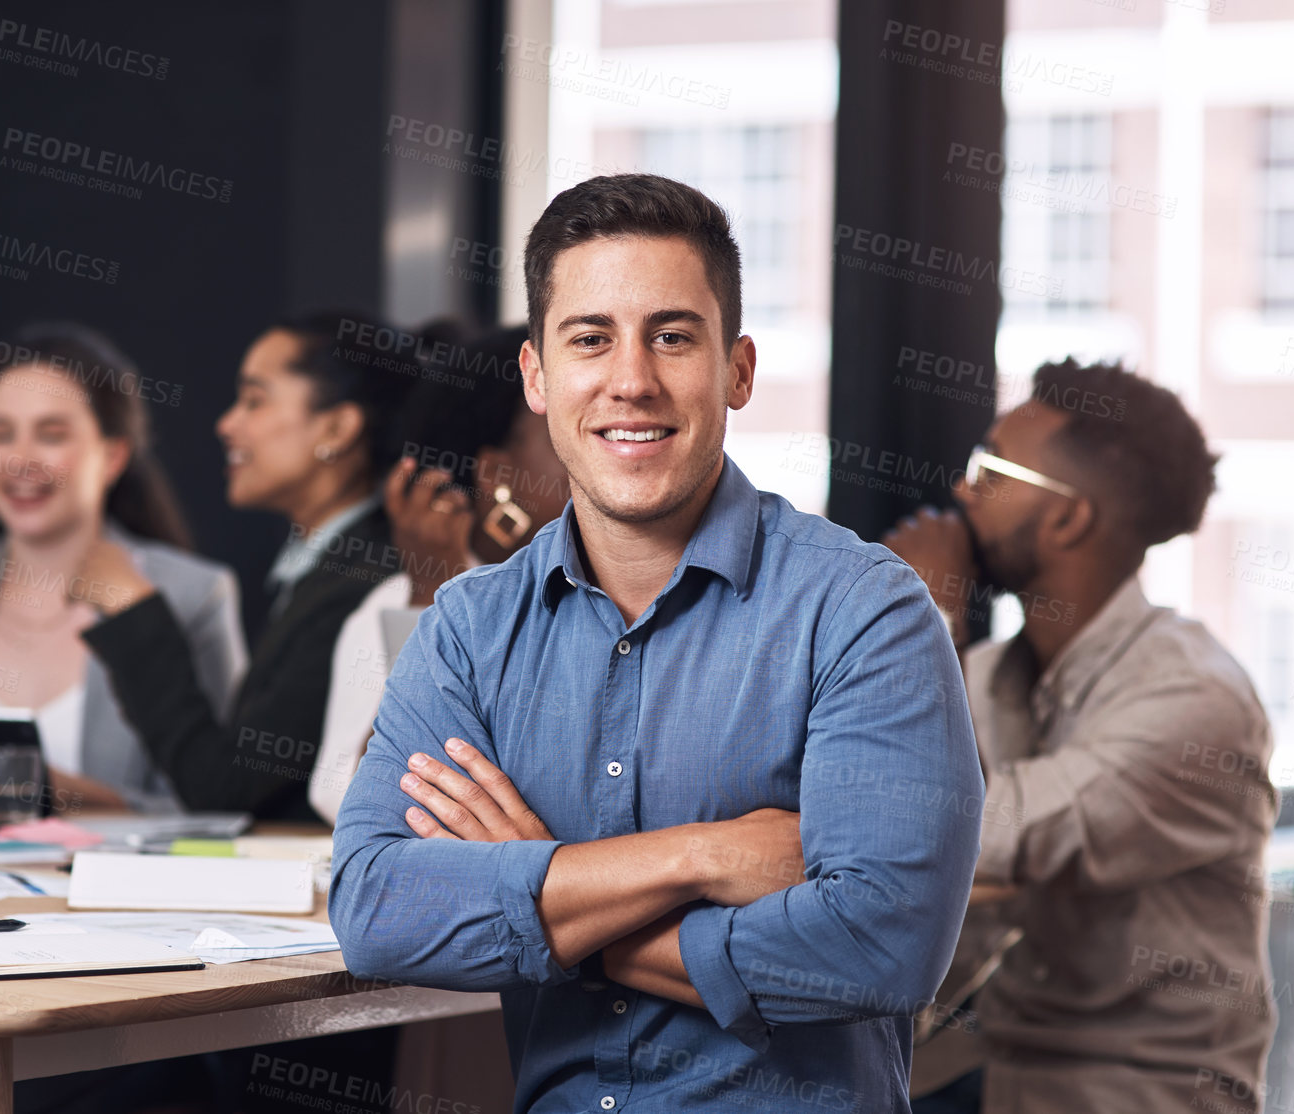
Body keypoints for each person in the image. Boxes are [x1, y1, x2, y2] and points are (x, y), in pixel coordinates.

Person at [328, 174, 984, 1111]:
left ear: (738, 371)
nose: (630, 379)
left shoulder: (864, 612)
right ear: (538, 377)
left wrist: (546, 890)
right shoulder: (471, 628)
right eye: (590, 338)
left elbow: (882, 950)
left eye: (672, 336)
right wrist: (702, 856)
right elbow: (378, 909)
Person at [883, 360, 1276, 1114]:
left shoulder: (1195, 700)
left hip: (1137, 1091)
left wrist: (929, 615)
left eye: (991, 470)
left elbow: (964, 831)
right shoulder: (992, 674)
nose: (964, 492)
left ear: (1068, 518)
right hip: (991, 1069)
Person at [0, 325, 245, 811]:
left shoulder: (194, 594)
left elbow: (223, 804)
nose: (21, 460)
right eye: (1, 433)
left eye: (52, 435)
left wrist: (68, 796)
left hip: (110, 885)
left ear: (113, 456)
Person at [75, 312, 415, 821]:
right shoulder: (327, 567)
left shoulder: (364, 581)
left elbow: (225, 786)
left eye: (255, 400)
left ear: (337, 427)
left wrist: (132, 608)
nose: (227, 423)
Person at [309, 325, 568, 824]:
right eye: (559, 430)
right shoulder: (395, 603)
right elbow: (347, 795)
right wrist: (434, 594)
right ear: (498, 475)